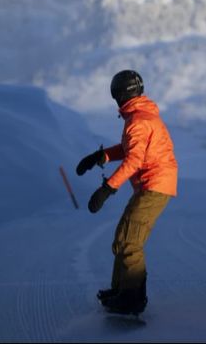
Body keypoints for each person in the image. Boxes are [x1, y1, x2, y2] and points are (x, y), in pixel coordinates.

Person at [75, 69, 178, 316]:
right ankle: (121, 290)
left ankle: (132, 298)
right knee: (123, 238)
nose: (116, 100)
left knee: (130, 242)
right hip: (152, 184)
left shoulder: (138, 122)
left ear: (122, 94)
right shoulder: (141, 116)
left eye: (115, 95)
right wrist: (102, 156)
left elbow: (133, 161)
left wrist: (107, 189)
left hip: (154, 185)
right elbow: (129, 149)